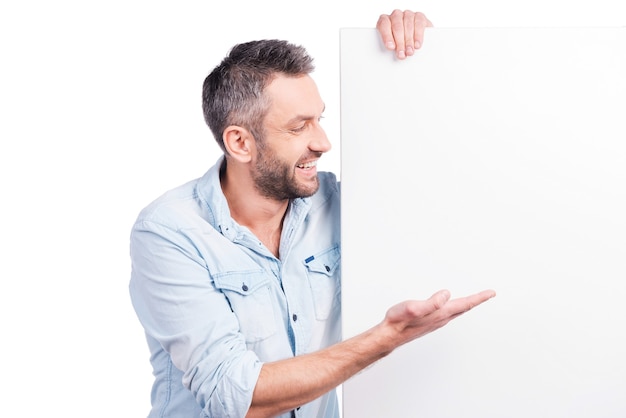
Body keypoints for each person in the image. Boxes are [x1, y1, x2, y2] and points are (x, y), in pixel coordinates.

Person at [129, 9, 496, 418]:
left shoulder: (336, 203)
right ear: (240, 143)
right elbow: (236, 397)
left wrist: (420, 67)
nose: (322, 142)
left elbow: (439, 180)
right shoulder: (170, 232)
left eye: (319, 119)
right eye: (299, 126)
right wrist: (386, 338)